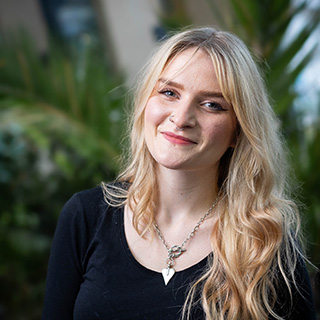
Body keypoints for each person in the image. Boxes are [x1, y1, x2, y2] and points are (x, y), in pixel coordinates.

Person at [42, 27, 316, 320]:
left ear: (239, 130)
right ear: (147, 100)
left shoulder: (266, 243)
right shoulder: (86, 216)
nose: (181, 118)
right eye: (169, 92)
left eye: (212, 104)